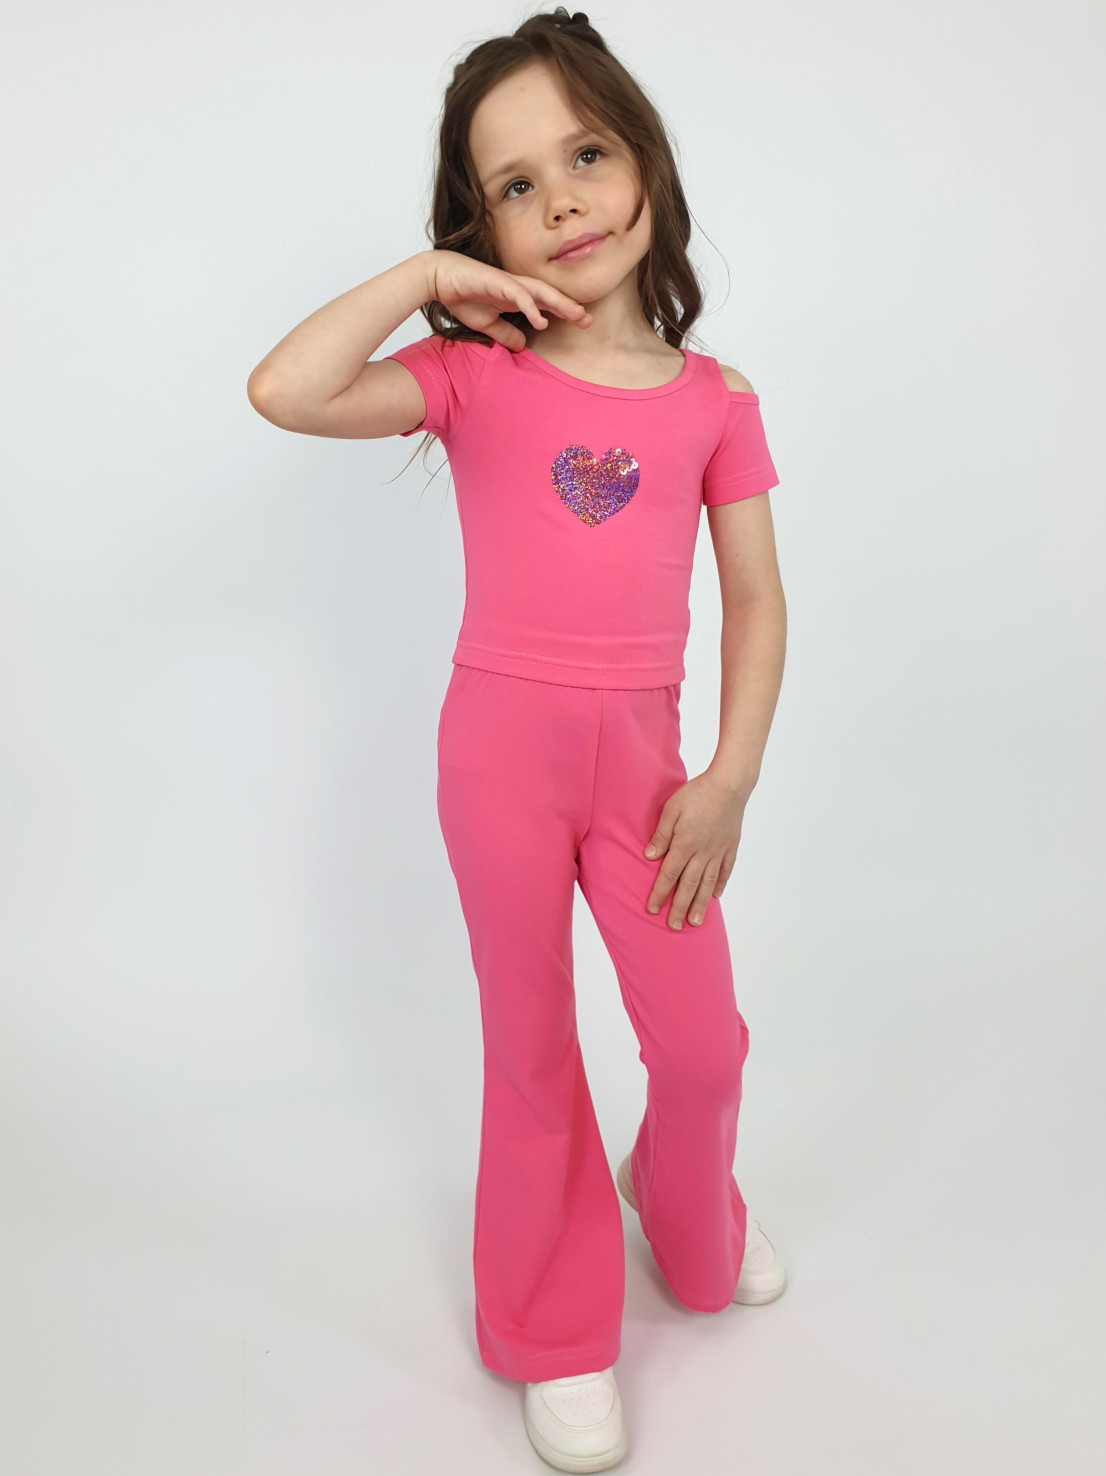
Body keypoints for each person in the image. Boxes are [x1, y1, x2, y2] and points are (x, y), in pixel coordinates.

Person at [247, 8, 788, 1470]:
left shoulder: (715, 401)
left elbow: (754, 601)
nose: (560, 201)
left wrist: (729, 777)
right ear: (480, 225)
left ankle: (685, 1206)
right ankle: (554, 1330)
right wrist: (428, 283)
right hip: (496, 759)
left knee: (702, 1047)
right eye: (513, 185)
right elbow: (287, 391)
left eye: (586, 155)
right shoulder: (472, 380)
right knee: (531, 1041)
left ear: (645, 160)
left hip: (653, 780)